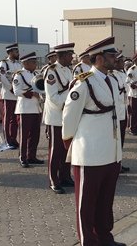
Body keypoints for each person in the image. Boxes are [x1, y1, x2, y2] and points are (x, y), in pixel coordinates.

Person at [62, 36, 125, 246]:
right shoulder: (84, 82)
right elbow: (69, 117)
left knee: (105, 202)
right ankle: (88, 241)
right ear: (98, 58)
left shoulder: (113, 80)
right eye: (111, 55)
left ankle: (105, 237)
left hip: (111, 152)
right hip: (90, 153)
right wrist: (70, 145)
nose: (115, 58)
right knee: (86, 204)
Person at [43, 43, 75, 194]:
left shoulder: (68, 71)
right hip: (56, 116)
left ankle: (65, 176)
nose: (72, 57)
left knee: (66, 149)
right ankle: (53, 180)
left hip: (67, 115)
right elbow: (52, 96)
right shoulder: (51, 72)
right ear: (61, 56)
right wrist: (67, 106)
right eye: (70, 55)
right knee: (56, 150)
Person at [12, 52, 44, 168]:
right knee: (24, 135)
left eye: (35, 62)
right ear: (25, 63)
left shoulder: (36, 74)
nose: (35, 64)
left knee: (35, 135)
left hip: (36, 108)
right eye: (33, 62)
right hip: (24, 108)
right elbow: (16, 91)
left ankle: (32, 156)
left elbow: (41, 89)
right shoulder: (19, 75)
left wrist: (40, 96)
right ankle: (23, 157)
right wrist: (31, 93)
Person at [109, 52, 131, 173]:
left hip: (123, 111)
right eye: (121, 61)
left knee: (121, 140)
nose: (123, 63)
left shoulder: (122, 74)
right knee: (115, 141)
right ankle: (113, 165)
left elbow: (125, 91)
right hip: (116, 113)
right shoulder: (111, 75)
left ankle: (119, 163)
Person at [0, 43, 22, 149]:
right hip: (8, 94)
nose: (18, 53)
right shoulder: (4, 63)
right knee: (7, 118)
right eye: (16, 51)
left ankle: (13, 138)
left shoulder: (18, 64)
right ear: (10, 52)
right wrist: (11, 88)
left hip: (16, 95)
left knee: (14, 119)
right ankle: (7, 140)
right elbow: (3, 77)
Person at [126, 49, 137, 135]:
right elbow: (128, 81)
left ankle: (136, 127)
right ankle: (132, 128)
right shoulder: (131, 69)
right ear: (136, 59)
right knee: (133, 112)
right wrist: (133, 85)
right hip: (133, 94)